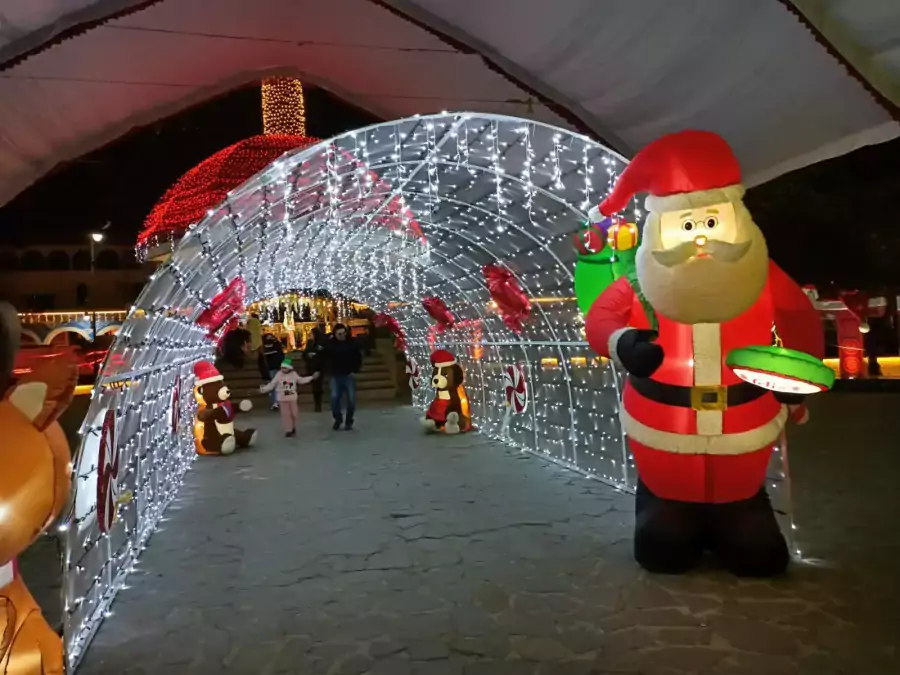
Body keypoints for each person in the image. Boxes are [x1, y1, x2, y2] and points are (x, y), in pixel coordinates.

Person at [260, 359, 319, 437]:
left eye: (285, 368)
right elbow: (272, 384)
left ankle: (293, 426)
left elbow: (301, 380)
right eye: (282, 368)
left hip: (292, 398)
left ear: (290, 368)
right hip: (282, 399)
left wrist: (311, 378)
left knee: (294, 414)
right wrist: (263, 389)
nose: (283, 369)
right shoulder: (278, 375)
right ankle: (288, 430)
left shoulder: (294, 374)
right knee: (286, 415)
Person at [324, 323, 362, 430]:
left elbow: (358, 357)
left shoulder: (352, 343)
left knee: (351, 399)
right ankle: (338, 418)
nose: (341, 335)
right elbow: (326, 358)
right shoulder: (330, 345)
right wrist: (329, 370)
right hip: (335, 375)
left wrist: (355, 370)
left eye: (343, 333)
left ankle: (349, 420)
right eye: (338, 334)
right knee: (334, 398)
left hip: (349, 374)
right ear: (334, 334)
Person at [302, 327, 326, 412]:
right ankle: (317, 403)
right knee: (315, 386)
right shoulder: (309, 343)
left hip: (319, 367)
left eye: (311, 334)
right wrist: (308, 355)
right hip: (311, 367)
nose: (310, 335)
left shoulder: (321, 343)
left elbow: (324, 355)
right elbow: (304, 353)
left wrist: (316, 354)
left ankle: (318, 404)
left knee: (318, 386)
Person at [261, 333, 285, 410]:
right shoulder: (263, 348)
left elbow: (282, 356)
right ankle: (275, 402)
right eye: (268, 338)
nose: (270, 339)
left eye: (271, 337)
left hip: (278, 367)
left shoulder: (277, 345)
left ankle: (276, 402)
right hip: (269, 369)